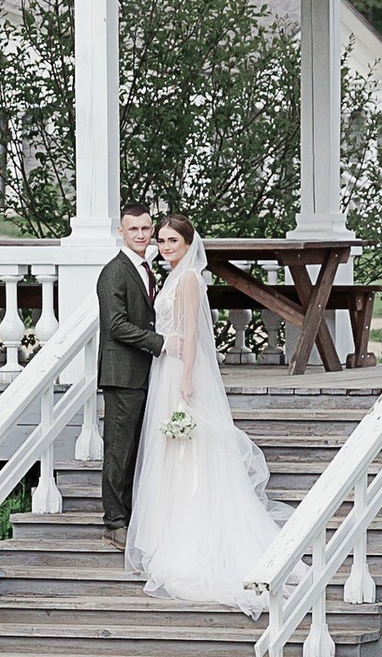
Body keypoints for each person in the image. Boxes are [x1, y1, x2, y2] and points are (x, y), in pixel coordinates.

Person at [127, 214, 281, 612]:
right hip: (165, 368)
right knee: (169, 449)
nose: (164, 246)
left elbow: (192, 331)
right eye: (160, 240)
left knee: (187, 447)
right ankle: (169, 528)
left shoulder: (190, 278)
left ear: (188, 242)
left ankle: (192, 533)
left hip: (180, 370)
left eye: (172, 240)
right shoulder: (173, 276)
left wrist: (188, 377)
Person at [96, 205, 163, 539]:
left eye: (145, 228)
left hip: (143, 371)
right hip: (122, 372)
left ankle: (132, 514)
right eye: (133, 229)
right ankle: (115, 521)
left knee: (136, 447)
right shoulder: (115, 272)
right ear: (120, 232)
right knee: (119, 448)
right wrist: (158, 342)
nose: (140, 234)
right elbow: (116, 325)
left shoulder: (145, 268)